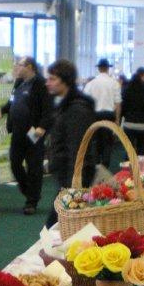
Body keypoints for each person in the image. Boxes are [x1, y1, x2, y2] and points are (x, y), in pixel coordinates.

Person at [0, 56, 52, 215]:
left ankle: (31, 202)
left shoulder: (41, 84)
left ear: (30, 67)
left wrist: (42, 126)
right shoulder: (19, 83)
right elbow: (12, 102)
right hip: (17, 131)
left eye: (19, 65)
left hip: (33, 132)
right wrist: (2, 110)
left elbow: (48, 108)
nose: (16, 67)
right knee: (15, 163)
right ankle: (30, 191)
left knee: (34, 166)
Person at [45, 58, 97, 228]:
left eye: (52, 79)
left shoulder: (76, 109)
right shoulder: (64, 105)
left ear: (65, 81)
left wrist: (74, 185)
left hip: (73, 177)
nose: (48, 83)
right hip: (66, 174)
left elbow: (79, 148)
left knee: (55, 225)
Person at [83, 58, 121, 168]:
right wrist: (117, 120)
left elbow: (85, 102)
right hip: (109, 116)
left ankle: (95, 166)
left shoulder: (90, 84)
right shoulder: (114, 83)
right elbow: (117, 103)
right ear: (108, 68)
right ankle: (105, 167)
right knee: (107, 143)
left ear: (99, 68)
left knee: (95, 141)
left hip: (94, 116)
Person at [121, 67, 144, 154]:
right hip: (143, 124)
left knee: (129, 151)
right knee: (142, 150)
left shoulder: (127, 88)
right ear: (143, 75)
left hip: (129, 123)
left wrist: (125, 116)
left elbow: (123, 105)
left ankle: (129, 162)